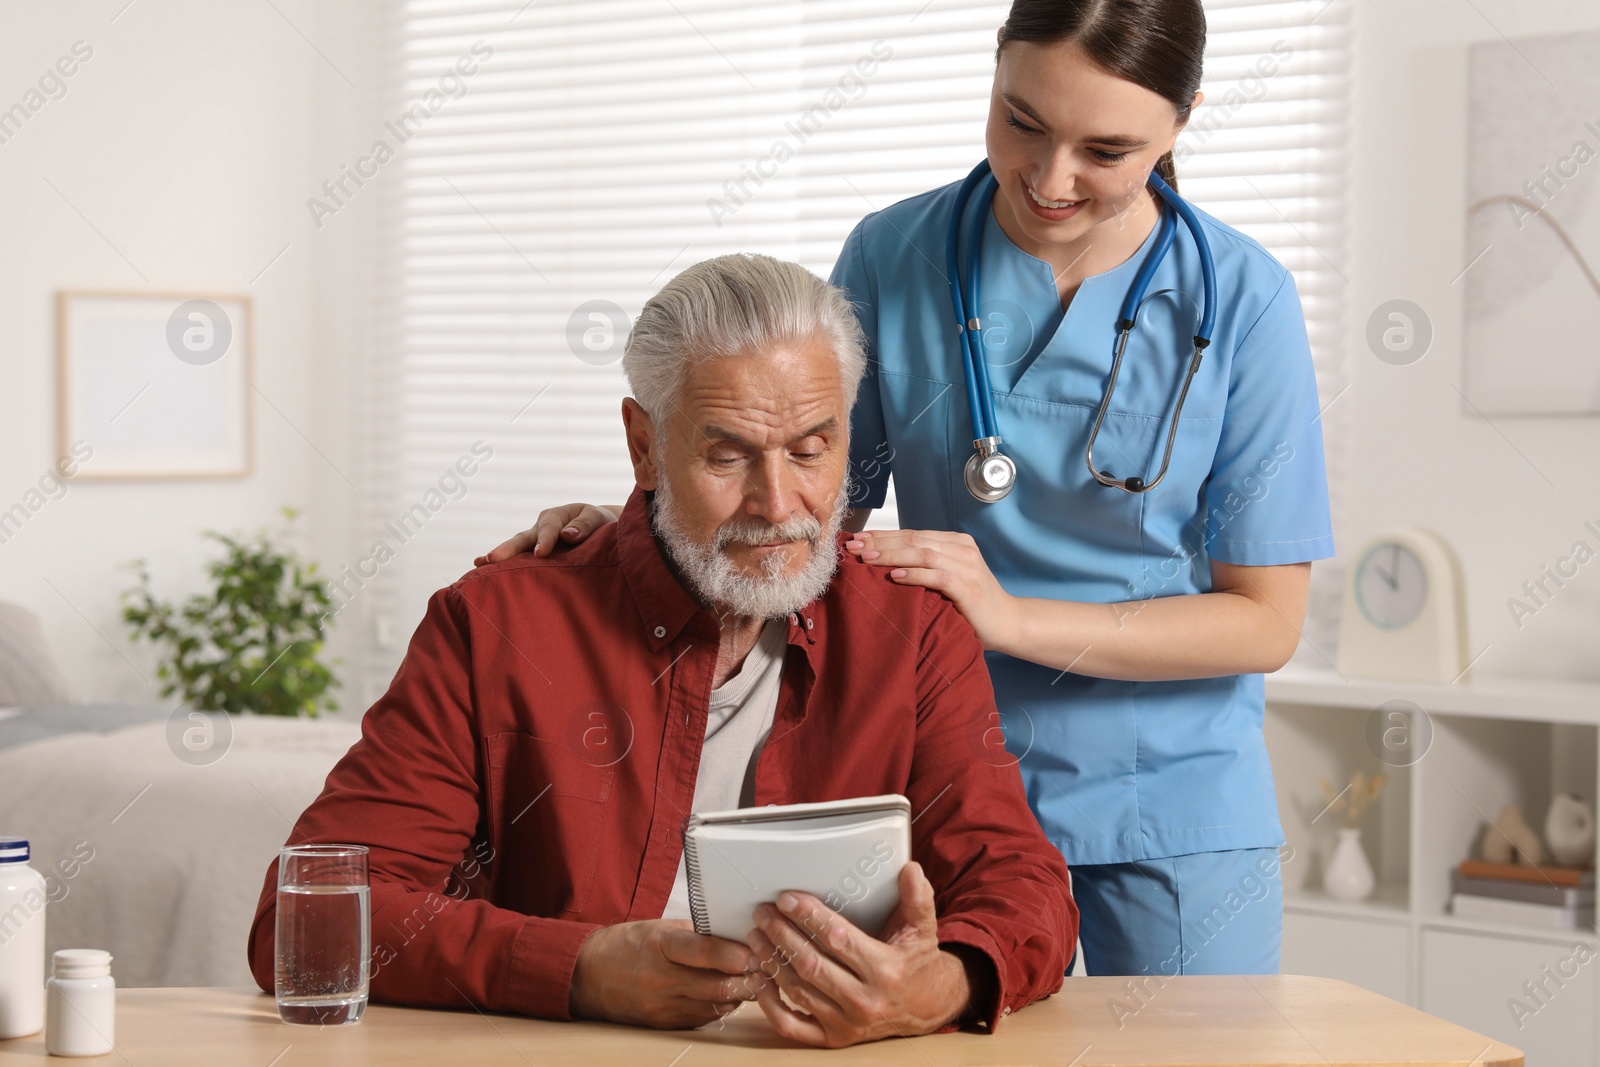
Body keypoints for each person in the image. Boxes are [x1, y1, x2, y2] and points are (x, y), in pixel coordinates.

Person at [477, 0, 1332, 980]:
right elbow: (802, 510)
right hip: (941, 772)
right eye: (1021, 121)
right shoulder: (894, 255)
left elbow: (1264, 622)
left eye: (1104, 149)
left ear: (1181, 123)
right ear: (994, 71)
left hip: (1169, 798)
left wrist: (1007, 616)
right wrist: (639, 531)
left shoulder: (1243, 298)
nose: (1049, 180)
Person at [248, 254, 1077, 1047]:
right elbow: (309, 919)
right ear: (644, 444)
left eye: (811, 449)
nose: (779, 502)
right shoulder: (493, 624)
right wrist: (582, 969)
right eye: (728, 454)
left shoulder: (911, 628)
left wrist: (945, 982)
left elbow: (1025, 890)